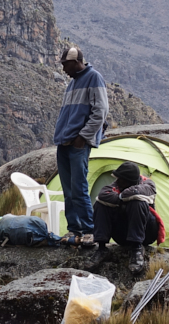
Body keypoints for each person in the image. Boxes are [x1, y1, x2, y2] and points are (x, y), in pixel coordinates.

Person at [53, 46, 109, 247]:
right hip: (64, 142)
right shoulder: (72, 84)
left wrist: (83, 137)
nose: (64, 69)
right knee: (68, 189)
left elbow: (100, 112)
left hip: (77, 143)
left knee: (79, 187)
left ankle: (88, 230)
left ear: (77, 62)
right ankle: (73, 229)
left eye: (66, 65)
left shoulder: (94, 77)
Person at [92, 162, 164, 274]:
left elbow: (137, 192)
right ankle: (101, 248)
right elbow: (102, 195)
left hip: (146, 233)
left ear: (131, 181)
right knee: (100, 204)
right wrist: (123, 199)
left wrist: (120, 197)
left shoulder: (148, 184)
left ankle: (137, 249)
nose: (118, 182)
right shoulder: (117, 185)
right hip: (123, 234)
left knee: (137, 202)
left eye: (121, 180)